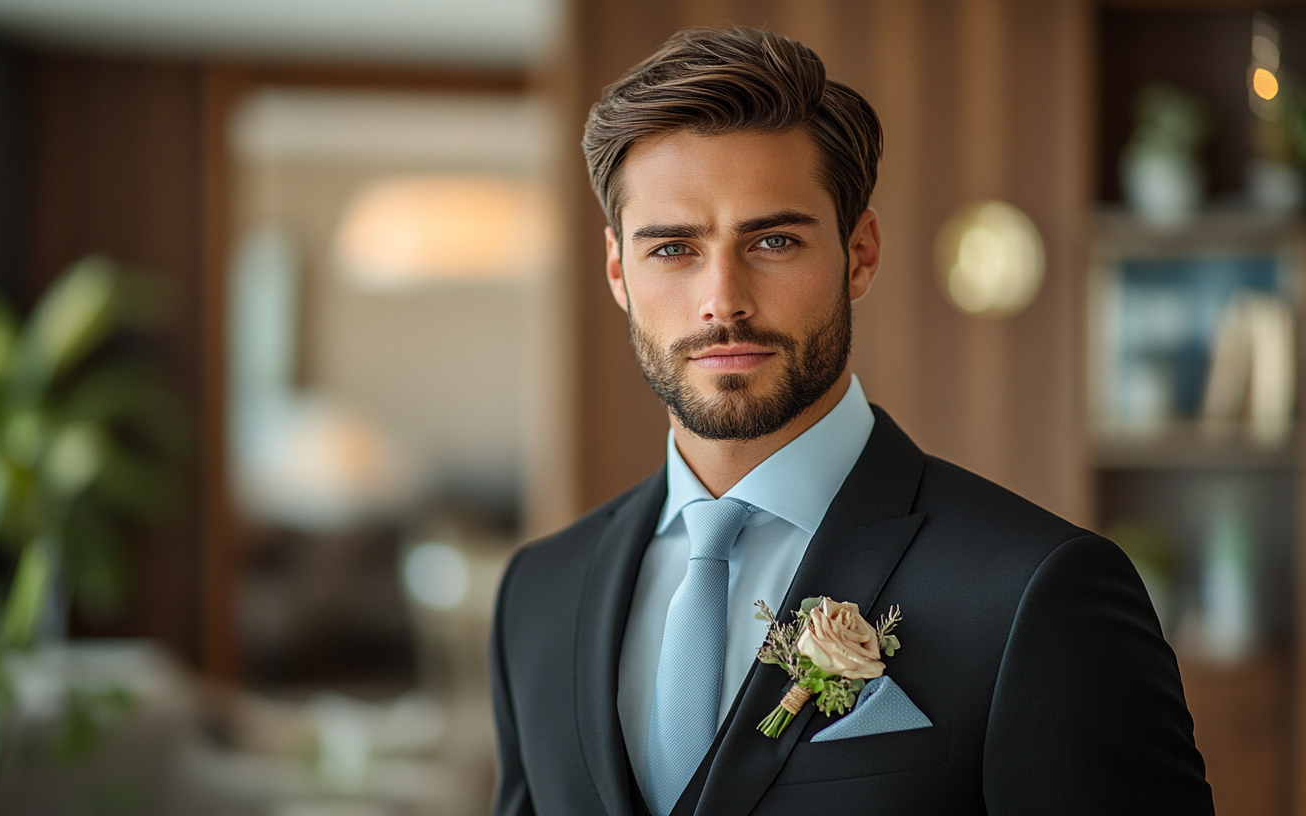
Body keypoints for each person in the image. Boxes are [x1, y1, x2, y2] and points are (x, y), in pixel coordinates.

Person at [488, 26, 1212, 816]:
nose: (722, 298)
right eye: (673, 249)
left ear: (859, 254)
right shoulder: (539, 592)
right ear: (618, 271)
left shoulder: (1041, 591)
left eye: (773, 240)